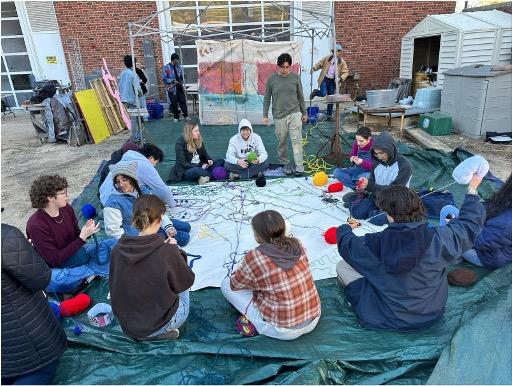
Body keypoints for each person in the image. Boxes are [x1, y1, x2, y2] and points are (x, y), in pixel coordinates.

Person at [335, 176, 485, 331]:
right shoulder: (440, 238)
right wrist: (472, 191)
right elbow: (470, 224)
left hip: (386, 318)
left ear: (389, 214)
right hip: (431, 314)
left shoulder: (371, 243)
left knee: (342, 266)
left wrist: (345, 229)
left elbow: (346, 245)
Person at [221, 210, 321, 340]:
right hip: (314, 317)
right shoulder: (297, 243)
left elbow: (235, 284)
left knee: (225, 285)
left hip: (283, 330)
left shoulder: (255, 256)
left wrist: (246, 271)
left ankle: (256, 321)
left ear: (259, 235)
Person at [109, 194, 195, 341]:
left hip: (127, 325)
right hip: (158, 324)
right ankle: (159, 333)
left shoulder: (117, 249)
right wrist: (177, 252)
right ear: (160, 219)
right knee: (183, 281)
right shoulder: (167, 251)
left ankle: (146, 333)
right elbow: (187, 280)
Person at [1, 223, 67, 384]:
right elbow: (42, 278)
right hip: (30, 349)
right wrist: (28, 254)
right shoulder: (5, 237)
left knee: (52, 307)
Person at [104, 162, 191, 247]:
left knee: (186, 227)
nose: (121, 184)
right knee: (184, 238)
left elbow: (156, 209)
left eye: (124, 180)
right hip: (137, 235)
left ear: (131, 179)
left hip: (151, 222)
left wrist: (168, 227)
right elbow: (113, 232)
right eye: (117, 181)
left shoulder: (142, 190)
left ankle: (162, 230)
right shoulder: (113, 202)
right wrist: (132, 245)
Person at [26, 175, 103, 269]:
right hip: (57, 265)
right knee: (81, 256)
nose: (67, 196)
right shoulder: (36, 226)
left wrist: (87, 231)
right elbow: (54, 260)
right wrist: (82, 238)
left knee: (111, 245)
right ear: (50, 197)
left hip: (74, 252)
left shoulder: (66, 209)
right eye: (63, 193)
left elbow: (76, 236)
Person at [443, 172, 511, 268]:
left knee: (447, 224)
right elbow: (483, 210)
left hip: (485, 256)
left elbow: (478, 242)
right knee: (448, 210)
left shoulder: (505, 223)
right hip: (483, 234)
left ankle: (452, 254)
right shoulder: (505, 201)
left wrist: (453, 223)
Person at [343, 131, 412, 225]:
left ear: (390, 149)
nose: (379, 156)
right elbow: (372, 181)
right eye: (376, 153)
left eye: (381, 153)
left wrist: (371, 186)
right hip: (377, 196)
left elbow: (395, 191)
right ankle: (357, 201)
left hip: (394, 200)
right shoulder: (376, 162)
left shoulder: (404, 165)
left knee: (376, 220)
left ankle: (365, 206)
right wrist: (365, 184)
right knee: (357, 213)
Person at [263, 53, 307, 176]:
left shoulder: (295, 77)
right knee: (282, 142)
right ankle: (286, 163)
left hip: (294, 113)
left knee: (296, 141)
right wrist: (265, 115)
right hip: (279, 115)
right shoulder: (271, 80)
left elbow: (301, 96)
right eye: (283, 67)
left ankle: (299, 167)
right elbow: (267, 98)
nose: (286, 70)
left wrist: (304, 112)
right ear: (278, 66)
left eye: (288, 67)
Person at [99, 143, 176, 208]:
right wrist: (173, 205)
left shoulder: (123, 161)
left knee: (145, 190)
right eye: (155, 163)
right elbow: (163, 190)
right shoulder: (145, 166)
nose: (154, 166)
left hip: (105, 199)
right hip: (118, 204)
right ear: (151, 158)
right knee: (148, 193)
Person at [310, 43, 349, 120]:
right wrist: (314, 68)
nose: (334, 53)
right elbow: (320, 64)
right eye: (333, 51)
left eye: (336, 51)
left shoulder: (342, 62)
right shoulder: (327, 58)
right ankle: (315, 92)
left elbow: (346, 72)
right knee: (323, 93)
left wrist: (340, 78)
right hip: (324, 79)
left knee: (331, 98)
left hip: (332, 81)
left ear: (339, 52)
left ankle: (329, 116)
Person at [119, 55, 143, 141]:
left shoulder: (122, 73)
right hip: (132, 99)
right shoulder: (133, 74)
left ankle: (135, 136)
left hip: (124, 98)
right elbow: (137, 89)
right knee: (135, 118)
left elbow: (120, 86)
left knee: (133, 118)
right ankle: (135, 137)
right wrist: (141, 95)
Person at [162, 53, 189, 122]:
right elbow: (164, 78)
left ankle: (186, 116)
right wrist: (172, 81)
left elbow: (182, 75)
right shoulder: (166, 68)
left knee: (183, 101)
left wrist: (184, 75)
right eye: (177, 59)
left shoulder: (178, 66)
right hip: (172, 89)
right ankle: (176, 117)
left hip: (180, 87)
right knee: (174, 103)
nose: (178, 61)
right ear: (174, 59)